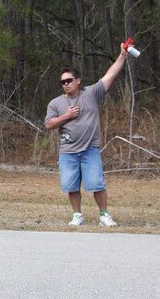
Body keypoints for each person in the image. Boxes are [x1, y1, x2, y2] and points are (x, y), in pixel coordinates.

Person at [44, 46, 128, 227]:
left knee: (97, 183)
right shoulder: (56, 103)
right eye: (63, 82)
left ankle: (104, 215)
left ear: (78, 80)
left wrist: (121, 55)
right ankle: (77, 215)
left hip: (90, 149)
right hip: (68, 152)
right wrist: (66, 116)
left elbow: (110, 74)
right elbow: (49, 124)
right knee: (71, 185)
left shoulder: (91, 93)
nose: (66, 83)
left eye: (69, 80)